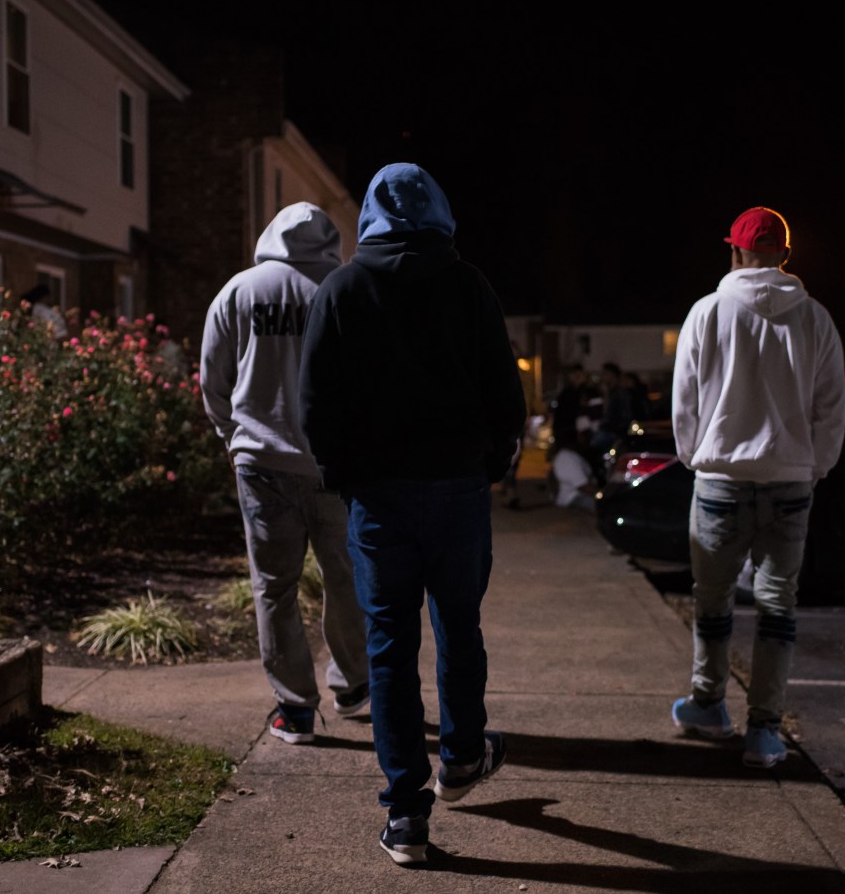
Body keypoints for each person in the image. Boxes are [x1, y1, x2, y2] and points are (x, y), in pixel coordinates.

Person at [299, 164, 525, 865]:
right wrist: (489, 464)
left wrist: (345, 474)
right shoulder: (469, 285)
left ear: (369, 215)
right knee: (460, 625)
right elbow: (505, 395)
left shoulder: (341, 289)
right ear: (439, 212)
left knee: (390, 646)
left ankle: (405, 814)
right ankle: (461, 756)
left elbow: (316, 403)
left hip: (379, 494)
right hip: (457, 487)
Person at [670, 206, 845, 768]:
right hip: (790, 481)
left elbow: (686, 400)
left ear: (735, 252)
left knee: (712, 599)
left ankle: (708, 704)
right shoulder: (816, 319)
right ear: (785, 257)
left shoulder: (707, 313)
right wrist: (814, 465)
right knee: (778, 607)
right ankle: (764, 732)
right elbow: (830, 406)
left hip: (721, 480)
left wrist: (695, 456)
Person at [200, 201, 369, 747]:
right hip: (336, 465)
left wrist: (235, 439)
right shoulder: (348, 288)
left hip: (263, 464)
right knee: (347, 579)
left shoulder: (240, 291)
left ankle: (295, 709)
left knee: (274, 588)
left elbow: (213, 379)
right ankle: (352, 685)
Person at [551, 420, 597, 512]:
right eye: (580, 435)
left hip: (576, 495)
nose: (584, 438)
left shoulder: (569, 454)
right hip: (573, 498)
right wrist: (602, 495)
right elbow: (583, 486)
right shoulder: (567, 458)